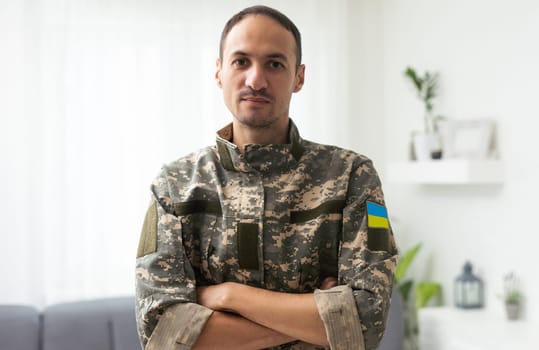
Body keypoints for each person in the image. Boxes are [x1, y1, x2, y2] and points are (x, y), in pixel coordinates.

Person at [135, 5, 397, 350]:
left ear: (298, 77)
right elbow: (162, 335)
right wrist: (321, 317)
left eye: (274, 64)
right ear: (219, 72)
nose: (256, 80)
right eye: (241, 61)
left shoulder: (354, 176)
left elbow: (367, 320)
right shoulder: (174, 185)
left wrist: (229, 296)